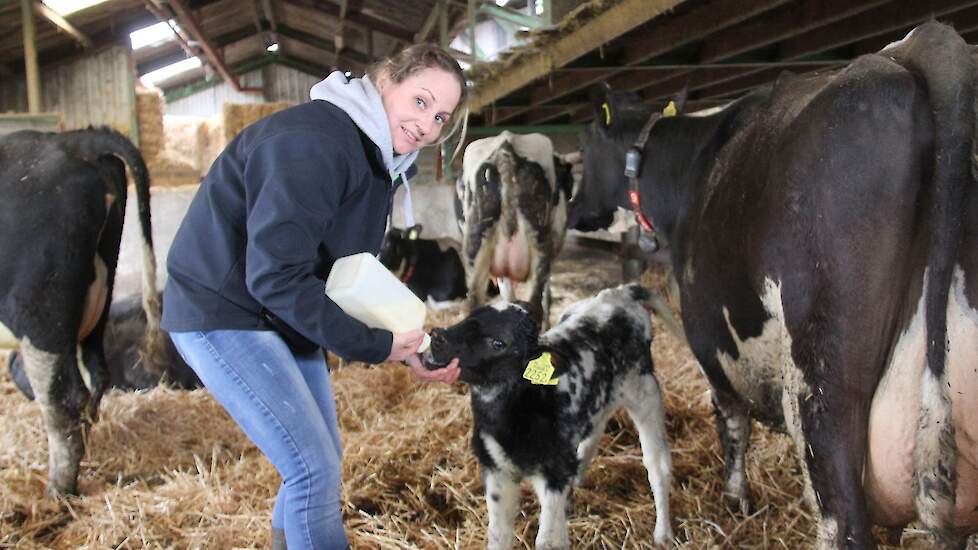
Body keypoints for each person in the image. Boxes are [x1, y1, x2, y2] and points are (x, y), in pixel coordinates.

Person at [161, 43, 465, 549]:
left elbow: (344, 275)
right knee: (311, 469)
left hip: (278, 313)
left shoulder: (374, 156)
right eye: (420, 102)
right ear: (387, 78)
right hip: (226, 311)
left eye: (440, 117)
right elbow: (275, 276)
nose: (427, 126)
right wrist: (370, 345)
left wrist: (401, 343)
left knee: (319, 462)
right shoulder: (316, 142)